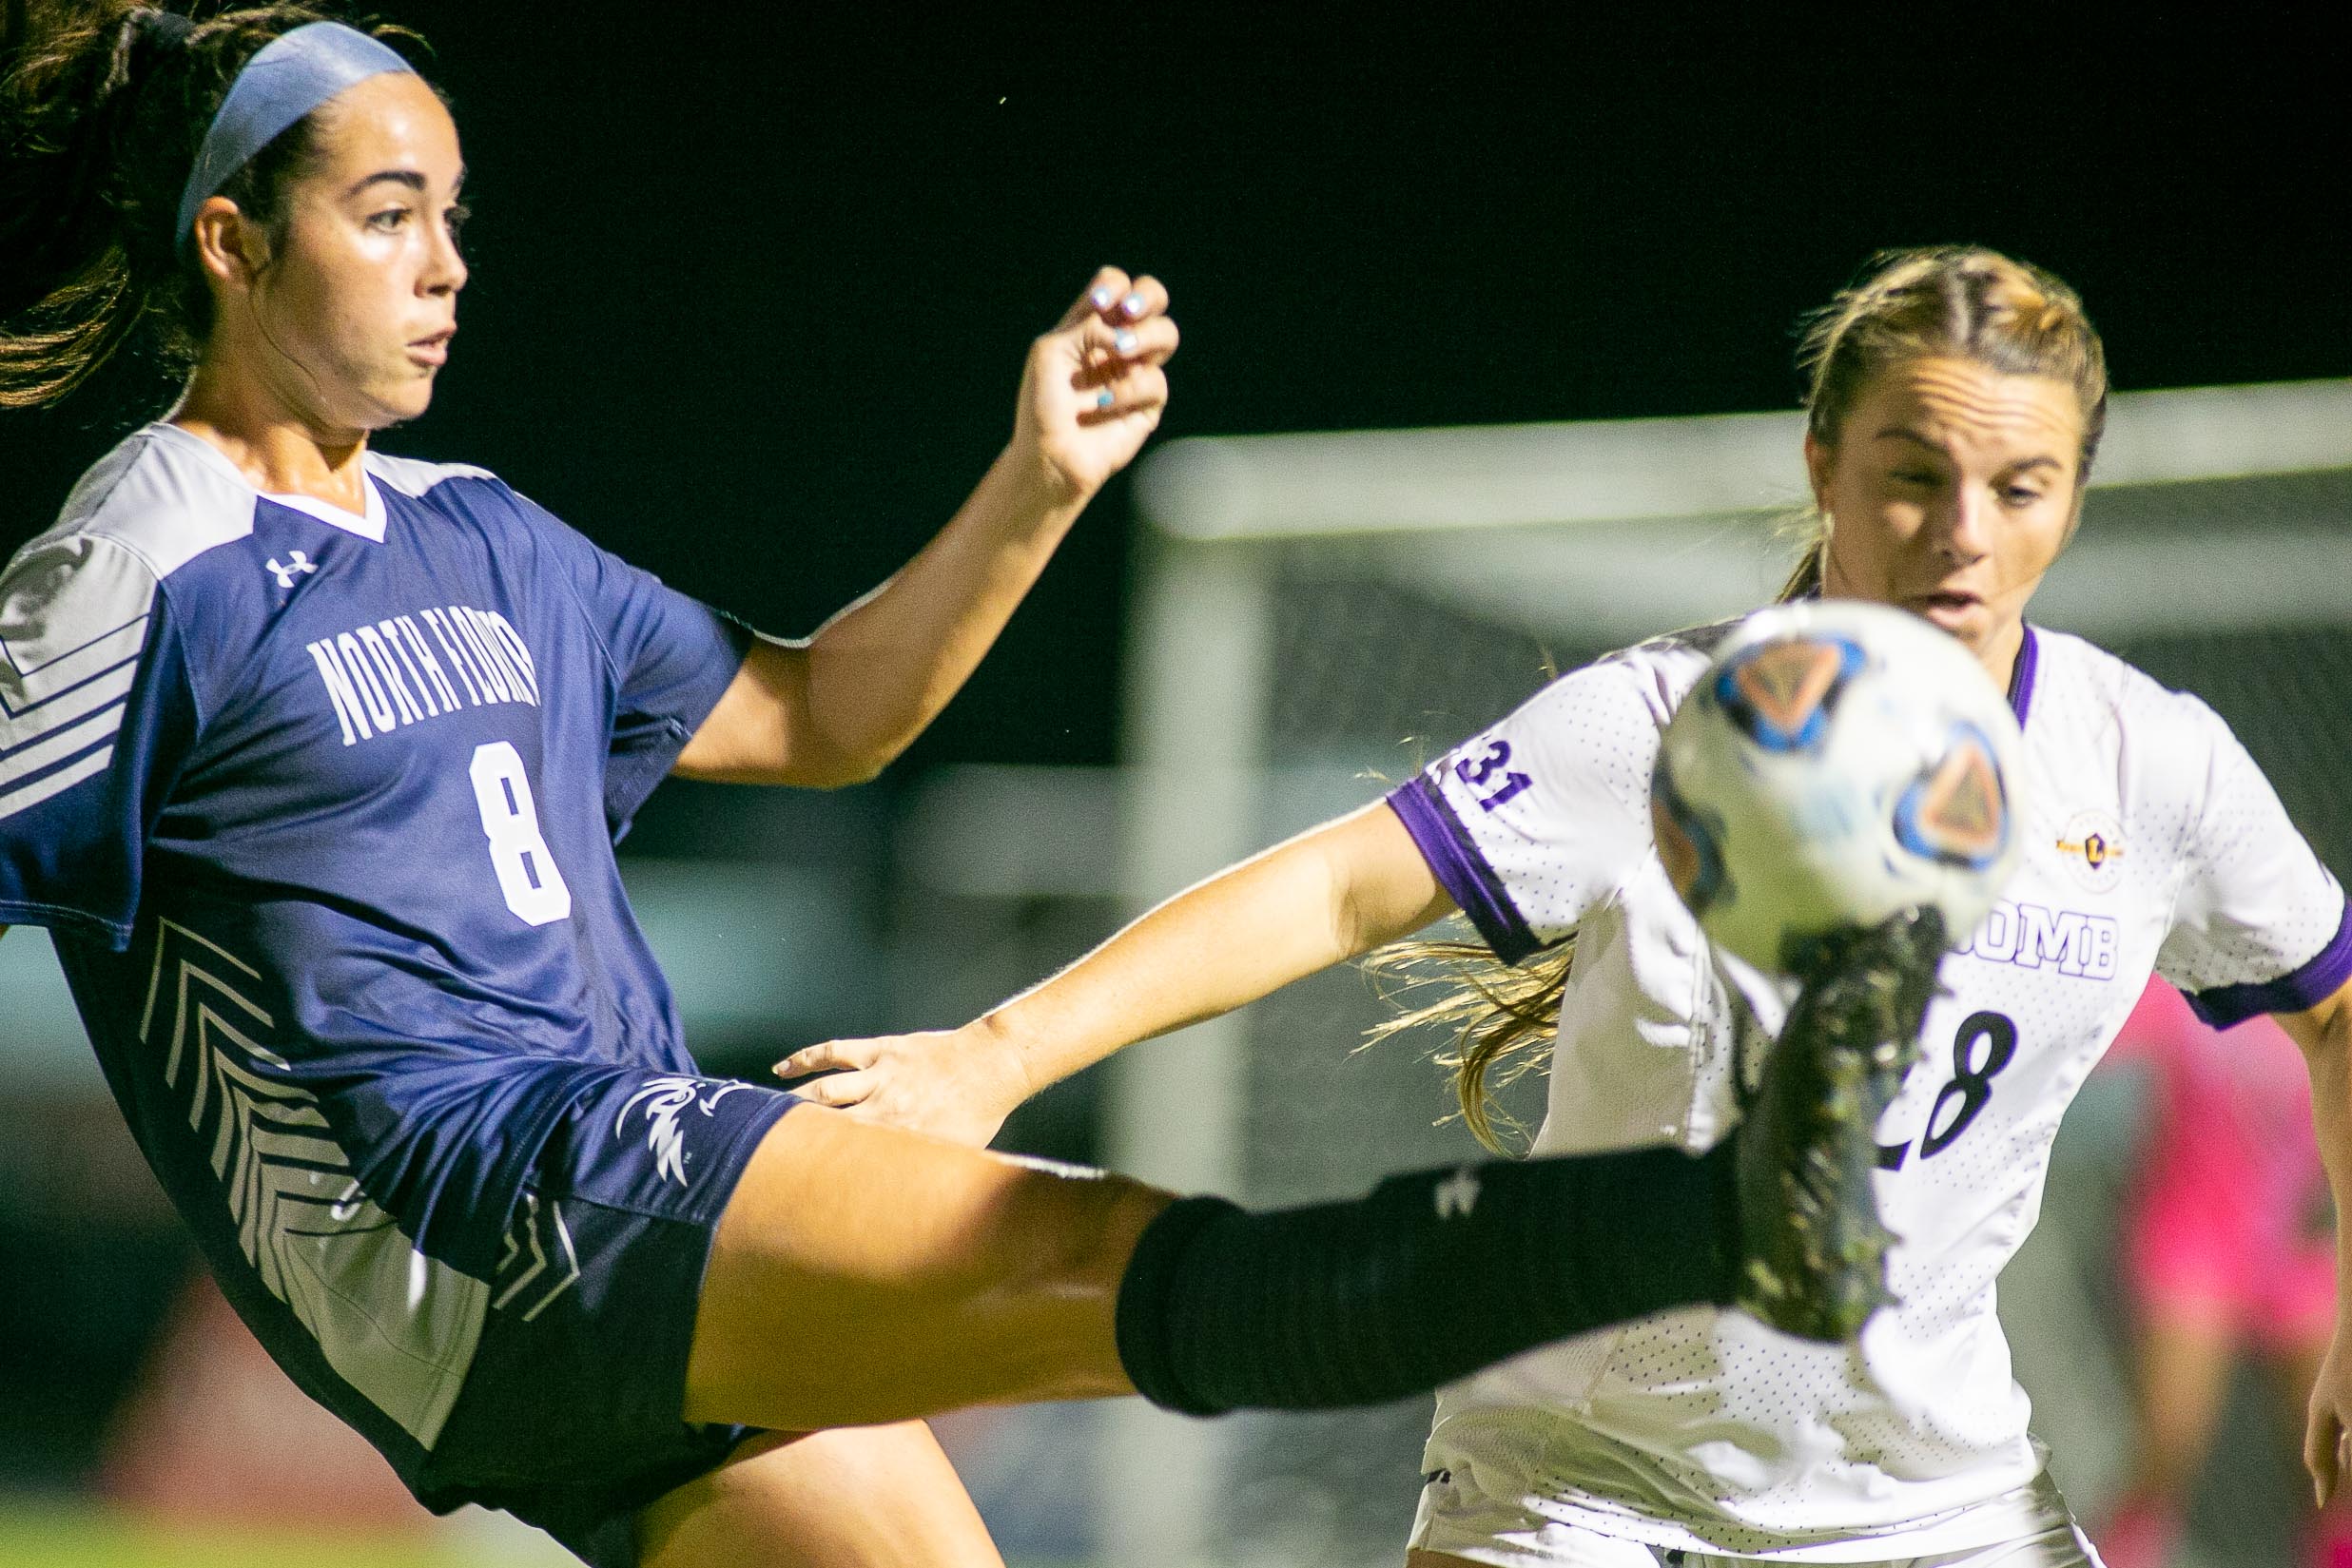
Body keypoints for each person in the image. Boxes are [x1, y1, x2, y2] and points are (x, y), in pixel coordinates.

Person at [0, 8, 1895, 1567]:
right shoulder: (141, 564)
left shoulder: (482, 534)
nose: (448, 265)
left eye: (456, 216)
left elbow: (828, 715)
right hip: (497, 1202)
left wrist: (1036, 483)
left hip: (593, 1274)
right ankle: (1693, 1221)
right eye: (388, 213)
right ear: (232, 243)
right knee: (1086, 1254)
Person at [787, 245, 2352, 1567]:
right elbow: (1338, 882)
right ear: (1821, 460)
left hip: (1930, 1506)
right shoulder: (1661, 720)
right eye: (1910, 474)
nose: (1961, 533)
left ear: (2073, 495)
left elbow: (2332, 1006)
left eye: (2019, 486)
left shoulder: (2148, 768)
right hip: (1582, 1490)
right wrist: (994, 1052)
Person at [2094, 978, 2350, 1568]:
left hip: (2297, 1247)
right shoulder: (2200, 976)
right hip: (2194, 1244)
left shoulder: (2334, 984)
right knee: (2166, 1456)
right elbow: (2096, 1028)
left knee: (2338, 1470)